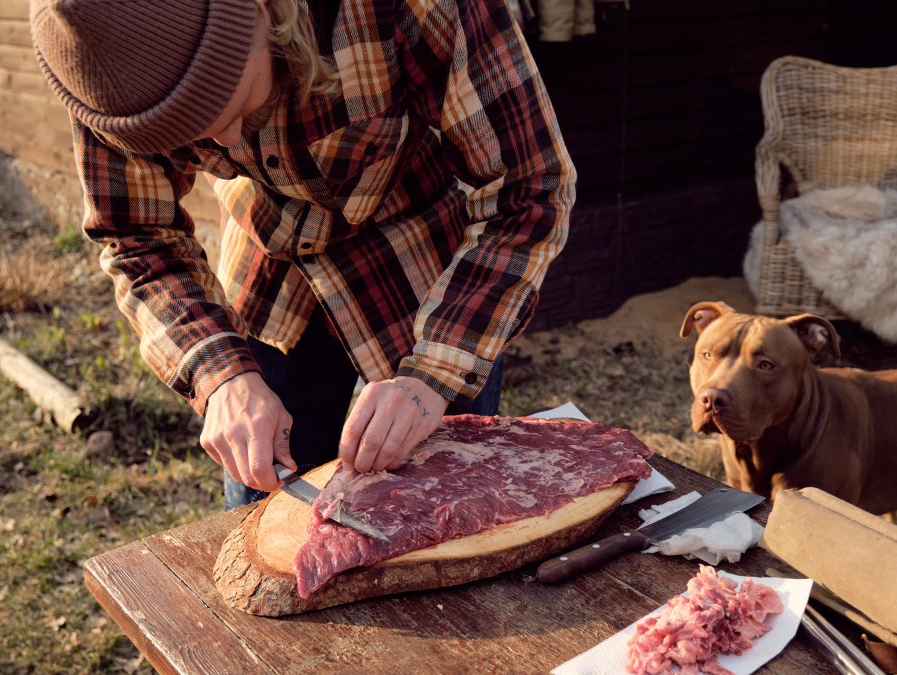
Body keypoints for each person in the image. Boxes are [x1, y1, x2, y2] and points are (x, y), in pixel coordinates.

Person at [29, 0, 575, 509]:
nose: (230, 143)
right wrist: (220, 375)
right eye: (186, 139)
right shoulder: (99, 61)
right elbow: (135, 237)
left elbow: (529, 188)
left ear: (264, 13)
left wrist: (433, 376)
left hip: (424, 272)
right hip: (272, 286)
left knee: (448, 515)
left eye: (229, 103)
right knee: (269, 526)